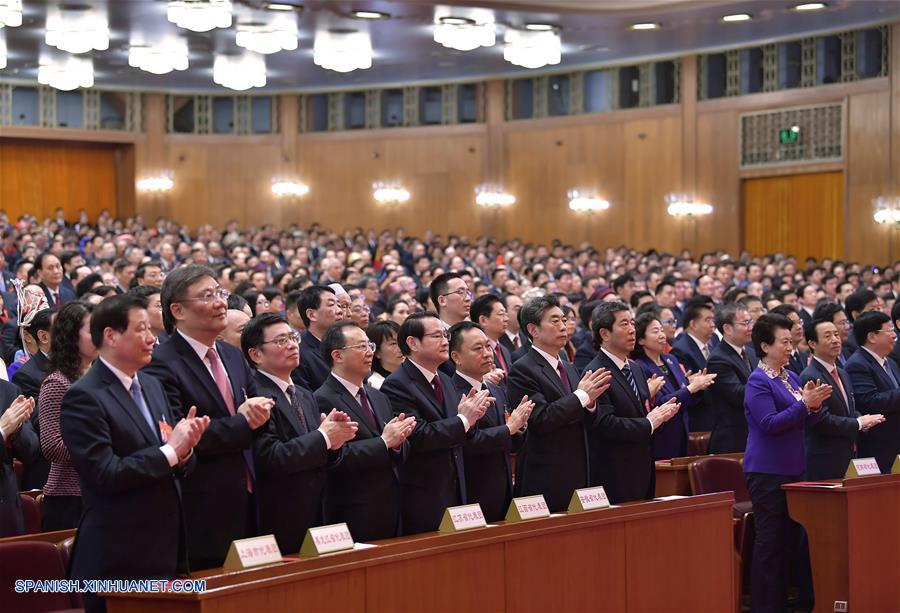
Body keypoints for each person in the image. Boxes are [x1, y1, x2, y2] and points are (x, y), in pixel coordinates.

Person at [61, 294, 210, 613]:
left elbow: (171, 453)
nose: (151, 337)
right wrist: (171, 451)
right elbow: (105, 473)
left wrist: (184, 452)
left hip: (164, 546)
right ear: (111, 336)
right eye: (141, 329)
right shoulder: (84, 397)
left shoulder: (153, 386)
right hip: (117, 553)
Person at [144, 265, 273, 570]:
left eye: (220, 293)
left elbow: (258, 410)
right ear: (178, 310)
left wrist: (256, 414)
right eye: (207, 296)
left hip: (252, 496)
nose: (220, 302)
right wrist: (243, 422)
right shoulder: (160, 363)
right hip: (201, 504)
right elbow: (178, 435)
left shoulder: (231, 354)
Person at [244, 314, 357, 553]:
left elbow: (317, 453)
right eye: (281, 340)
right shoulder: (255, 396)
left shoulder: (304, 394)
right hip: (278, 515)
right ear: (256, 354)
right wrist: (323, 437)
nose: (293, 345)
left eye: (293, 338)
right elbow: (270, 457)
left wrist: (334, 444)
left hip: (318, 511)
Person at [743, 313, 831, 612]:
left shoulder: (791, 376)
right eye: (784, 342)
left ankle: (791, 600)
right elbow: (769, 423)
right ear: (765, 346)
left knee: (793, 539)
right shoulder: (757, 381)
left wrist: (814, 405)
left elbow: (804, 417)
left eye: (792, 342)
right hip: (767, 471)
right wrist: (804, 405)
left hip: (794, 468)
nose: (791, 347)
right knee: (770, 543)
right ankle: (767, 606)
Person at [380, 312, 493, 535]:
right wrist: (463, 420)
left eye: (445, 335)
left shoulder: (445, 380)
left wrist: (471, 420)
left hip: (456, 489)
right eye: (436, 336)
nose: (444, 341)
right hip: (423, 495)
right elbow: (418, 436)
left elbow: (461, 434)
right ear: (412, 343)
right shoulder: (397, 385)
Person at [508, 296, 611, 512]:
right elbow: (541, 419)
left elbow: (586, 417)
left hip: (579, 470)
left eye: (564, 320)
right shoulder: (523, 369)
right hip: (546, 474)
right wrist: (582, 396)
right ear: (533, 330)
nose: (563, 326)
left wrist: (590, 403)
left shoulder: (567, 365)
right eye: (555, 321)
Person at [316, 321, 415, 541]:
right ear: (337, 355)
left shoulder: (378, 396)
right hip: (353, 508)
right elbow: (336, 458)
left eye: (370, 345)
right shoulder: (322, 399)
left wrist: (399, 442)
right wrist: (384, 442)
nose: (370, 351)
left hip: (391, 503)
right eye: (361, 346)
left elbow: (396, 447)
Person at [583, 301, 680, 503]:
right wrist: (649, 423)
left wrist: (657, 417)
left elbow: (640, 413)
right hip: (614, 473)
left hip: (642, 467)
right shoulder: (596, 372)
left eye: (632, 323)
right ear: (604, 334)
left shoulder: (635, 368)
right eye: (623, 324)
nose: (632, 330)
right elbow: (605, 424)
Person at [449, 321, 532, 522]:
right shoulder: (452, 392)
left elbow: (510, 441)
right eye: (478, 349)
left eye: (487, 346)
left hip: (503, 490)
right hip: (472, 493)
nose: (487, 353)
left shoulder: (496, 389)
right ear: (456, 357)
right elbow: (466, 443)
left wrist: (519, 427)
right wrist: (508, 428)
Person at [801, 319, 884, 480]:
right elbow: (821, 420)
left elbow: (849, 410)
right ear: (812, 343)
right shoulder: (810, 376)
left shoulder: (842, 372)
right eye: (827, 336)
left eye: (836, 334)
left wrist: (861, 418)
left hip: (848, 453)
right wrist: (858, 423)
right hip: (824, 458)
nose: (835, 340)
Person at [39, 301, 97, 530]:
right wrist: (99, 450)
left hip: (101, 487)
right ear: (71, 336)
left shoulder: (102, 378)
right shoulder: (57, 383)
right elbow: (52, 445)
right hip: (69, 497)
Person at [632, 312, 716, 459]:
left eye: (661, 330)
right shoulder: (640, 367)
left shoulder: (671, 359)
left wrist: (697, 387)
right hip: (661, 434)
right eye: (655, 331)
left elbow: (686, 397)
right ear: (641, 340)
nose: (661, 334)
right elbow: (659, 403)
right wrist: (691, 388)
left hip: (682, 429)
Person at [844, 311, 900, 473]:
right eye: (889, 331)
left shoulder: (890, 362)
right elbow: (870, 401)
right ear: (872, 337)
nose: (894, 336)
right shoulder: (858, 364)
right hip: (879, 446)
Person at [707, 304, 758, 453]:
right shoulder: (718, 359)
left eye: (751, 322)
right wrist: (770, 384)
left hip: (754, 433)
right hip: (733, 438)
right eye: (745, 323)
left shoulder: (752, 352)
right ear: (728, 329)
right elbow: (739, 394)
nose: (750, 327)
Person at [670, 298, 716, 430]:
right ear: (693, 324)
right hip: (698, 416)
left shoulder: (712, 344)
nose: (713, 324)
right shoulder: (681, 349)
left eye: (713, 320)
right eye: (707, 320)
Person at [0, 387, 37, 536]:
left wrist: (16, 430)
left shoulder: (8, 391)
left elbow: (31, 451)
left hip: (6, 508)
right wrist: (2, 431)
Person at [295, 285, 343, 392]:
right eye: (331, 305)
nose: (340, 310)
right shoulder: (298, 352)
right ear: (312, 314)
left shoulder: (346, 344)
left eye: (339, 305)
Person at [366, 320, 404, 390]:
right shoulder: (376, 384)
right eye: (393, 343)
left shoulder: (411, 375)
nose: (401, 348)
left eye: (401, 341)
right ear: (377, 352)